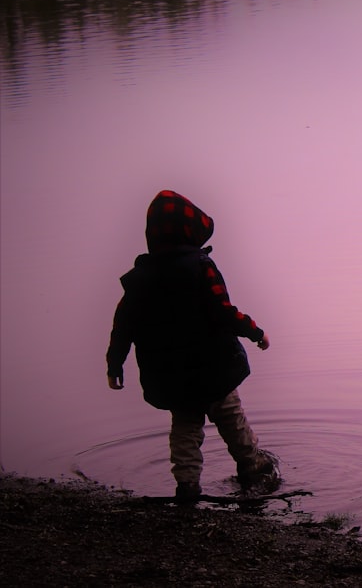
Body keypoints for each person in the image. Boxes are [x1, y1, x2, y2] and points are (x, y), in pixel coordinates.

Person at [106, 190, 278, 502]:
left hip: (173, 377)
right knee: (231, 419)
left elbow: (123, 325)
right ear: (191, 232)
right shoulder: (201, 266)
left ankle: (187, 486)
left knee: (185, 429)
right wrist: (256, 332)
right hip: (215, 368)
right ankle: (253, 467)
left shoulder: (140, 279)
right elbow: (224, 311)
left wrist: (114, 364)